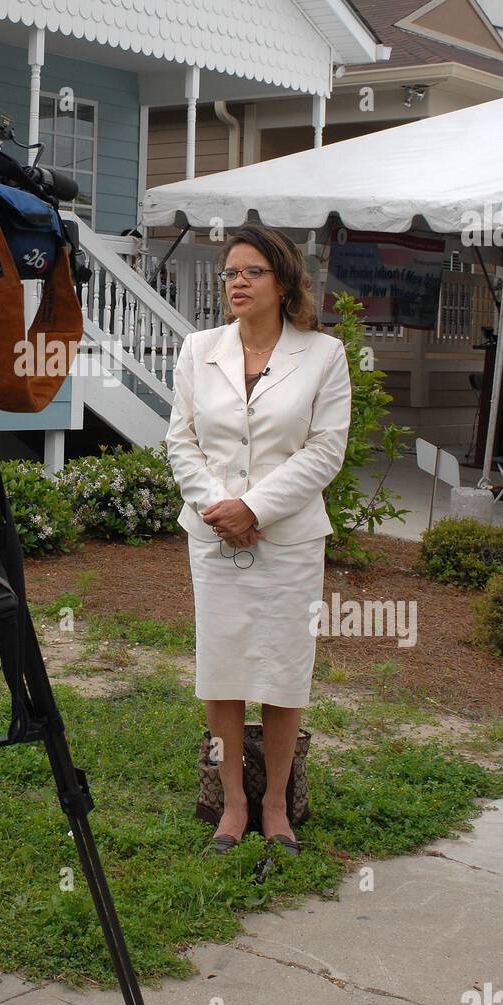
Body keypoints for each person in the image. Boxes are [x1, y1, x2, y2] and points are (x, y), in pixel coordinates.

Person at [165, 224, 352, 856]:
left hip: (289, 539)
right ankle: (233, 801)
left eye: (251, 272)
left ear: (283, 281)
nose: (236, 283)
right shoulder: (199, 349)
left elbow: (326, 450)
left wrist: (256, 508)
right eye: (229, 273)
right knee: (221, 672)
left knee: (281, 672)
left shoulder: (323, 355)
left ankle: (275, 801)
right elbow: (181, 440)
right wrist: (220, 508)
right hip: (214, 536)